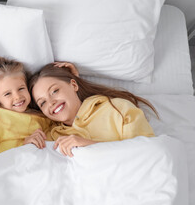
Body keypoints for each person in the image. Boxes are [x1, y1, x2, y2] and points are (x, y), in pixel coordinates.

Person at [29, 62, 157, 157]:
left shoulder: (117, 109)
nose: (51, 102)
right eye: (43, 102)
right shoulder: (51, 136)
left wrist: (90, 145)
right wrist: (28, 146)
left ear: (74, 85)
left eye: (55, 91)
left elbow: (145, 153)